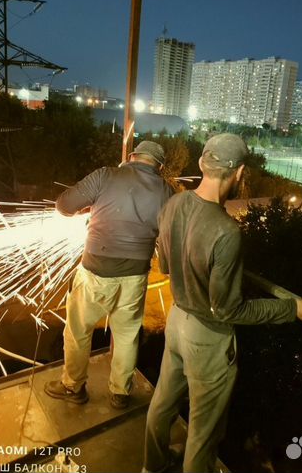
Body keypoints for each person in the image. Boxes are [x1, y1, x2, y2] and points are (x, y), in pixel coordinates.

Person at [142, 134, 302, 473]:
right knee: (203, 431)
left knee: (162, 404)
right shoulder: (226, 232)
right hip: (207, 339)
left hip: (177, 321)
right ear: (238, 173)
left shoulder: (173, 205)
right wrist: (291, 309)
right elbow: (227, 309)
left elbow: (164, 266)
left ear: (201, 164)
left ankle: (152, 466)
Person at [45, 141, 174, 409]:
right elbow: (167, 239)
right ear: (159, 166)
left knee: (79, 330)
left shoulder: (106, 175)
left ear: (132, 157)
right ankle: (120, 393)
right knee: (127, 335)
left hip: (95, 271)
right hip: (136, 275)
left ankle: (73, 387)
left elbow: (63, 205)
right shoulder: (166, 191)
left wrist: (85, 208)